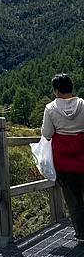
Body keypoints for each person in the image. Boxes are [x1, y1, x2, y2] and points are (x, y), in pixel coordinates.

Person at [42, 73, 84, 241]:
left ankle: (81, 234)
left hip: (64, 161)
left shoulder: (50, 108)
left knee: (73, 198)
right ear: (71, 87)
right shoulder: (83, 104)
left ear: (56, 90)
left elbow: (47, 133)